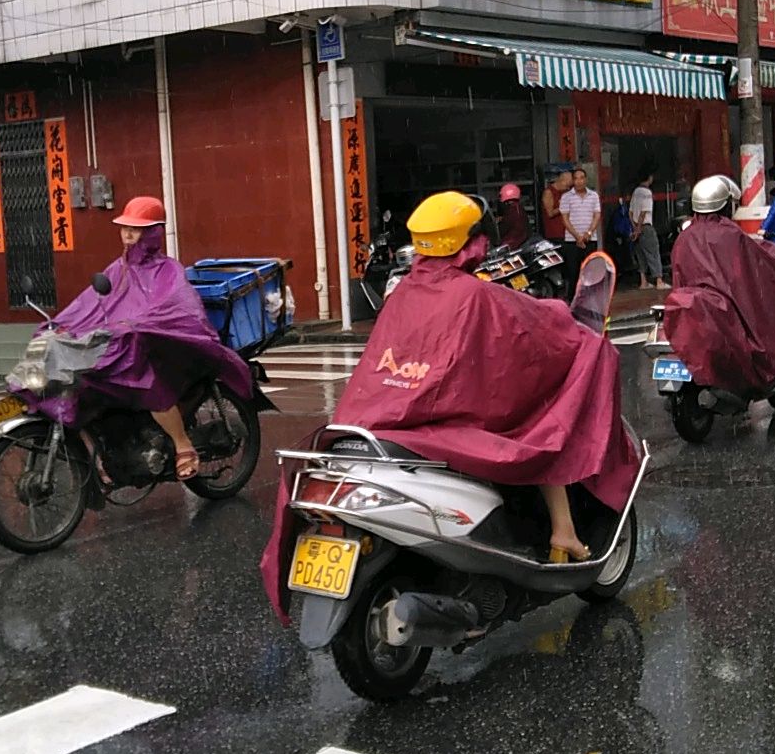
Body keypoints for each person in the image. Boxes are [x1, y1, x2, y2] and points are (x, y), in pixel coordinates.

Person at [261, 191, 639, 606]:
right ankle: (562, 529)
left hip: (381, 416)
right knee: (543, 423)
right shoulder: (477, 296)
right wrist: (574, 328)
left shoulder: (403, 293)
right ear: (472, 242)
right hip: (444, 423)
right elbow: (543, 330)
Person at [38, 195, 253, 479]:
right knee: (82, 384)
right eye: (125, 227)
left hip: (160, 349)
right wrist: (61, 324)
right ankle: (105, 453)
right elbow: (90, 302)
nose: (128, 233)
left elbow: (177, 306)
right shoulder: (118, 268)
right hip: (123, 344)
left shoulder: (168, 270)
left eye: (136, 228)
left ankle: (182, 444)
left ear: (152, 232)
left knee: (146, 383)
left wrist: (138, 324)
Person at [663, 174, 775, 393]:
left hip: (701, 302)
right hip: (725, 304)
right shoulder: (728, 234)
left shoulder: (685, 236)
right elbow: (756, 266)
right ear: (725, 205)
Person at [559, 166, 601, 299]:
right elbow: (565, 219)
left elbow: (597, 216)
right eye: (576, 178)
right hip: (572, 241)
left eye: (582, 178)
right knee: (573, 273)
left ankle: (591, 300)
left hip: (590, 239)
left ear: (586, 180)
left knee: (591, 272)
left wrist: (588, 233)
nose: (579, 181)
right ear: (573, 181)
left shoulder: (593, 195)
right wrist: (577, 237)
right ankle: (573, 300)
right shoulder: (566, 197)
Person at [628, 170, 665, 290]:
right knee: (653, 253)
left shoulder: (636, 192)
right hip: (645, 227)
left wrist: (634, 228)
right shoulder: (647, 193)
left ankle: (643, 282)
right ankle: (659, 281)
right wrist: (638, 229)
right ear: (649, 178)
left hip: (636, 227)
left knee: (641, 255)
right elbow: (644, 212)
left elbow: (630, 212)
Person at [540, 166, 573, 246]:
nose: (568, 188)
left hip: (567, 233)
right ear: (562, 182)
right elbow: (550, 213)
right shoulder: (549, 192)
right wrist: (563, 206)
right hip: (555, 234)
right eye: (567, 186)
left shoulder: (564, 193)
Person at [497, 181, 529, 250]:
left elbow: (503, 229)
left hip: (511, 244)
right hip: (520, 241)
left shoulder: (511, 210)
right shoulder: (518, 208)